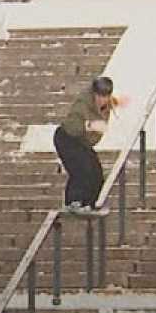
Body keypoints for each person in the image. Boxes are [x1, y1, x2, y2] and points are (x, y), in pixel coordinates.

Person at [56, 76, 118, 213]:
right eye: (100, 96)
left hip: (82, 141)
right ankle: (74, 201)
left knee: (96, 170)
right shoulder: (82, 103)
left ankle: (92, 201)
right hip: (66, 137)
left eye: (106, 96)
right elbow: (72, 126)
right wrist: (89, 126)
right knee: (80, 167)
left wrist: (93, 135)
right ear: (94, 94)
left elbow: (96, 136)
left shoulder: (106, 108)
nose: (103, 100)